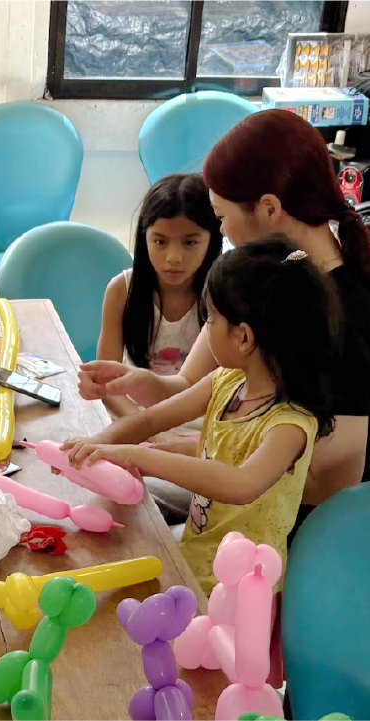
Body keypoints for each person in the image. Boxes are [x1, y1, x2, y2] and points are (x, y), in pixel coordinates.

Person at [78, 110, 370, 537]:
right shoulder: (256, 273)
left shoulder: (348, 313)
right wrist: (136, 383)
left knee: (126, 525)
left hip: (282, 528)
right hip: (224, 497)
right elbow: (187, 385)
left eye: (220, 217)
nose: (223, 232)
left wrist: (170, 453)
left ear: (269, 208)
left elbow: (316, 477)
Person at [65, 238, 336, 594]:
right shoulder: (227, 380)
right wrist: (94, 445)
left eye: (210, 318)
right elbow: (150, 420)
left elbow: (240, 484)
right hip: (197, 555)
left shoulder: (289, 423)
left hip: (239, 589)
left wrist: (137, 456)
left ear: (243, 337)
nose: (206, 328)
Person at [97, 174, 222, 522]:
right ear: (144, 238)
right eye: (160, 241)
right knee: (99, 481)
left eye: (190, 242)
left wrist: (169, 439)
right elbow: (107, 387)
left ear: (212, 239)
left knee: (134, 497)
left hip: (198, 438)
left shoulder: (222, 297)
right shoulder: (122, 290)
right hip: (131, 424)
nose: (173, 257)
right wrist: (152, 431)